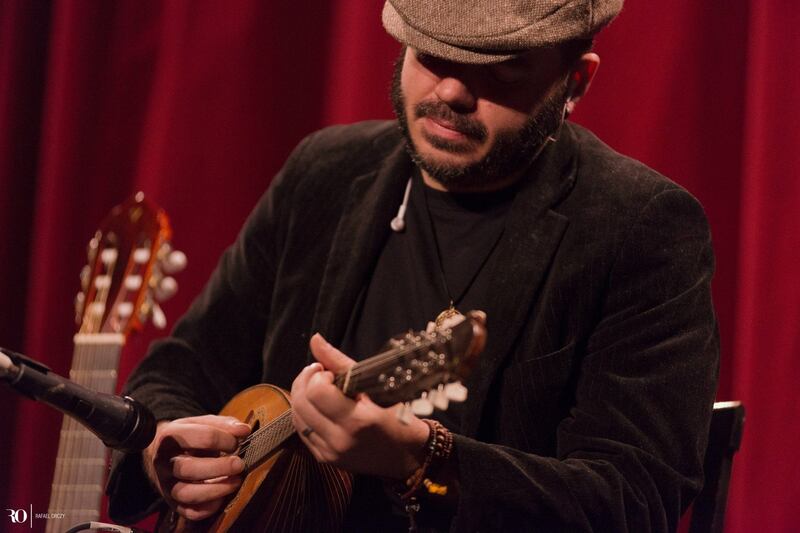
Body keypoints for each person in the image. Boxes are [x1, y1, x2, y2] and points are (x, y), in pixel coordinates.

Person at [106, 0, 720, 531]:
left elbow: (634, 499)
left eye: (498, 68)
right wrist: (167, 453)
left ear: (576, 82)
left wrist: (421, 458)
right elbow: (179, 368)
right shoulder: (325, 172)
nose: (450, 93)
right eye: (431, 54)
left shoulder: (639, 227)